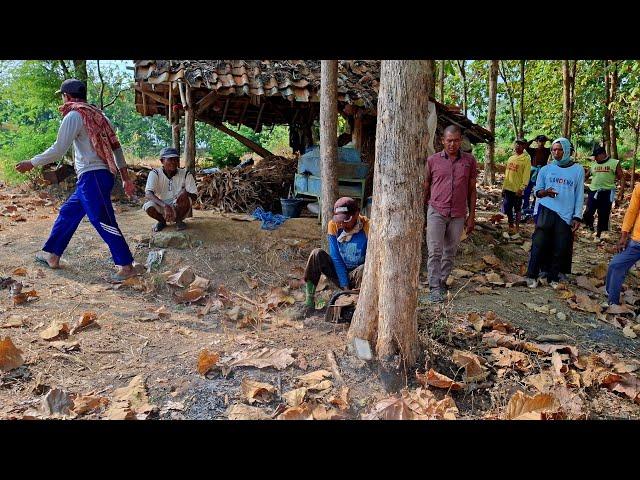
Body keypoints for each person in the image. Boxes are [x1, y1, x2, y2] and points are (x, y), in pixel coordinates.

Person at [15, 79, 137, 282]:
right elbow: (117, 149)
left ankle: (126, 265)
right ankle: (52, 254)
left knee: (103, 220)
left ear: (67, 96)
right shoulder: (100, 116)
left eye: (62, 96)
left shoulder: (74, 115)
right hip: (97, 176)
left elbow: (58, 149)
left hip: (93, 176)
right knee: (68, 212)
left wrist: (32, 162)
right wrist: (125, 178)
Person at [424, 125, 478, 303]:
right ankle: (433, 288)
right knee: (434, 251)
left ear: (460, 140)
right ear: (442, 141)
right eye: (449, 140)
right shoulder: (433, 160)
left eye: (456, 140)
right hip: (436, 211)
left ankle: (441, 281)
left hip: (458, 213)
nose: (452, 144)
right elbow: (426, 186)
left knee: (450, 251)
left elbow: (472, 190)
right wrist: (423, 212)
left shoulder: (469, 161)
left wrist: (471, 216)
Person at [525, 137, 583, 289]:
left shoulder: (577, 170)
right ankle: (531, 275)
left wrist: (577, 216)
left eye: (560, 149)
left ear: (567, 151)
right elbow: (537, 192)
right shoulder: (546, 169)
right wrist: (545, 192)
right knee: (538, 243)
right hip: (546, 210)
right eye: (554, 150)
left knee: (560, 246)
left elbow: (579, 194)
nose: (556, 152)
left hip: (566, 214)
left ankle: (553, 277)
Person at [303, 197, 368, 310]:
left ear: (357, 214)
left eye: (346, 220)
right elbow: (336, 258)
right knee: (316, 254)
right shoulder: (333, 225)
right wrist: (345, 287)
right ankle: (309, 303)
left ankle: (357, 303)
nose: (342, 224)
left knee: (363, 268)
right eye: (339, 220)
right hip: (339, 272)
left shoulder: (368, 226)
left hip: (360, 275)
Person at [143, 147, 198, 232]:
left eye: (176, 159)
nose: (173, 162)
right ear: (162, 161)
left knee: (184, 195)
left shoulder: (186, 174)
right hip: (161, 205)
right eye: (170, 159)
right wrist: (165, 206)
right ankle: (162, 221)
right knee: (148, 206)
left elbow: (194, 196)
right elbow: (148, 194)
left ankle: (179, 221)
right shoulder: (155, 173)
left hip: (179, 207)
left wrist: (185, 194)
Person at [605, 183, 640, 305]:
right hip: (637, 241)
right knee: (616, 265)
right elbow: (632, 211)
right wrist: (624, 235)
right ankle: (612, 301)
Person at [582, 144, 624, 241]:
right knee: (588, 212)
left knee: (603, 214)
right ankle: (590, 226)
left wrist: (621, 192)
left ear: (603, 154)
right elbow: (587, 176)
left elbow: (621, 177)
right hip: (593, 191)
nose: (595, 158)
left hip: (607, 192)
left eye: (597, 156)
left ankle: (599, 234)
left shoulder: (614, 163)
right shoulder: (594, 164)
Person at [501, 138, 531, 234]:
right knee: (507, 207)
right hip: (508, 188)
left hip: (517, 189)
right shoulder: (511, 158)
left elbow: (526, 175)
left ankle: (517, 227)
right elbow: (507, 174)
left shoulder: (526, 160)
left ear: (524, 146)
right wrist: (503, 187)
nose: (518, 146)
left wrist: (522, 188)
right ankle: (510, 225)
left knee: (517, 209)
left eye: (521, 144)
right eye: (517, 144)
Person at [522, 135, 552, 216]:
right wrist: (533, 139)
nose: (541, 143)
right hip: (533, 171)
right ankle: (525, 206)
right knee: (527, 190)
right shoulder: (533, 151)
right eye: (540, 141)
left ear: (545, 142)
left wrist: (549, 139)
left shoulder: (547, 151)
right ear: (537, 142)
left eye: (543, 141)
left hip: (542, 171)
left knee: (538, 190)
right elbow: (526, 146)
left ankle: (534, 207)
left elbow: (554, 146)